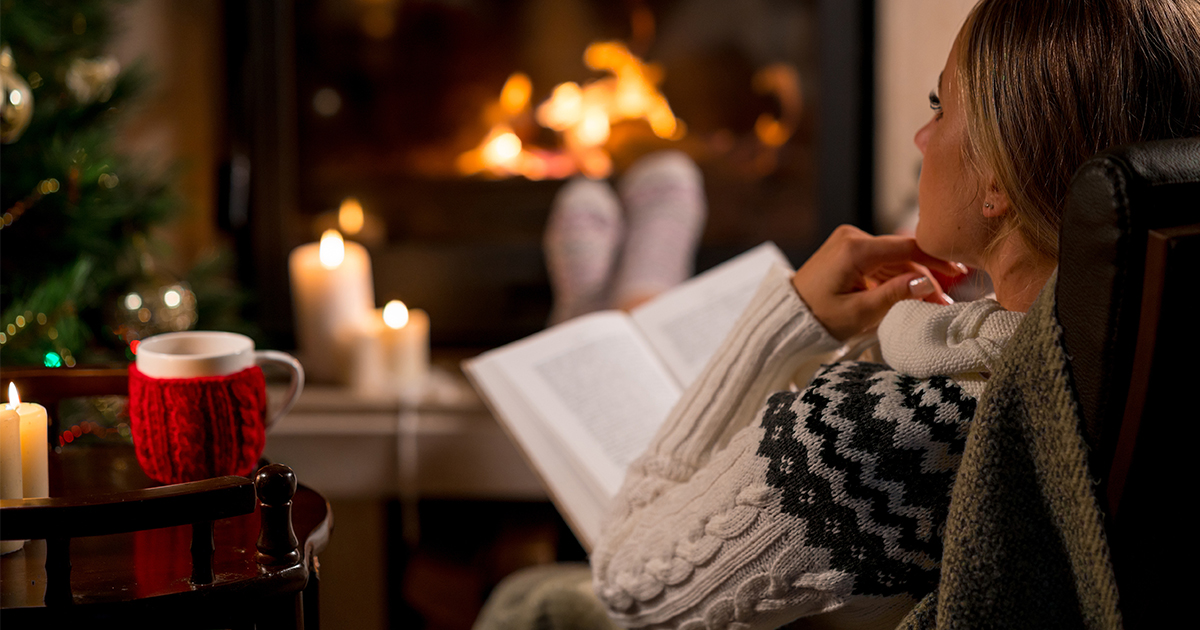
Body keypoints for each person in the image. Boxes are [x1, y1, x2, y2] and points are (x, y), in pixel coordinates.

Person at [586, 1, 1200, 630]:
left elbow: (627, 590)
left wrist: (784, 322)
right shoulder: (1144, 364)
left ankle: (625, 294)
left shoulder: (886, 433)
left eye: (940, 106)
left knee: (545, 600)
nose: (921, 138)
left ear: (998, 176)